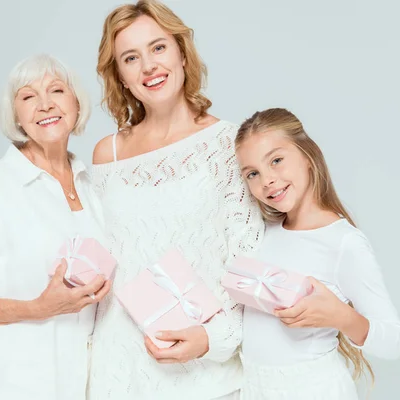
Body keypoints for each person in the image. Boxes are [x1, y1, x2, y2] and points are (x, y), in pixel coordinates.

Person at [88, 1, 264, 399]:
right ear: (121, 77)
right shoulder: (107, 154)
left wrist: (211, 340)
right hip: (117, 374)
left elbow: (249, 262)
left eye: (158, 47)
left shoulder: (230, 144)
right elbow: (103, 262)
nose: (148, 65)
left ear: (182, 53)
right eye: (130, 58)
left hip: (205, 374)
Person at [0, 54, 111, 400]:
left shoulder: (92, 188)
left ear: (76, 103)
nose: (45, 105)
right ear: (16, 116)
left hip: (85, 385)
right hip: (14, 386)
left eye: (57, 90)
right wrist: (38, 307)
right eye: (28, 96)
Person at [234, 108, 400, 400]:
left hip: (313, 389)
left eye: (276, 160)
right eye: (253, 173)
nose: (267, 180)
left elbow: (395, 342)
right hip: (254, 387)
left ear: (308, 155)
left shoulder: (343, 243)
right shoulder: (260, 233)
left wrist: (342, 316)